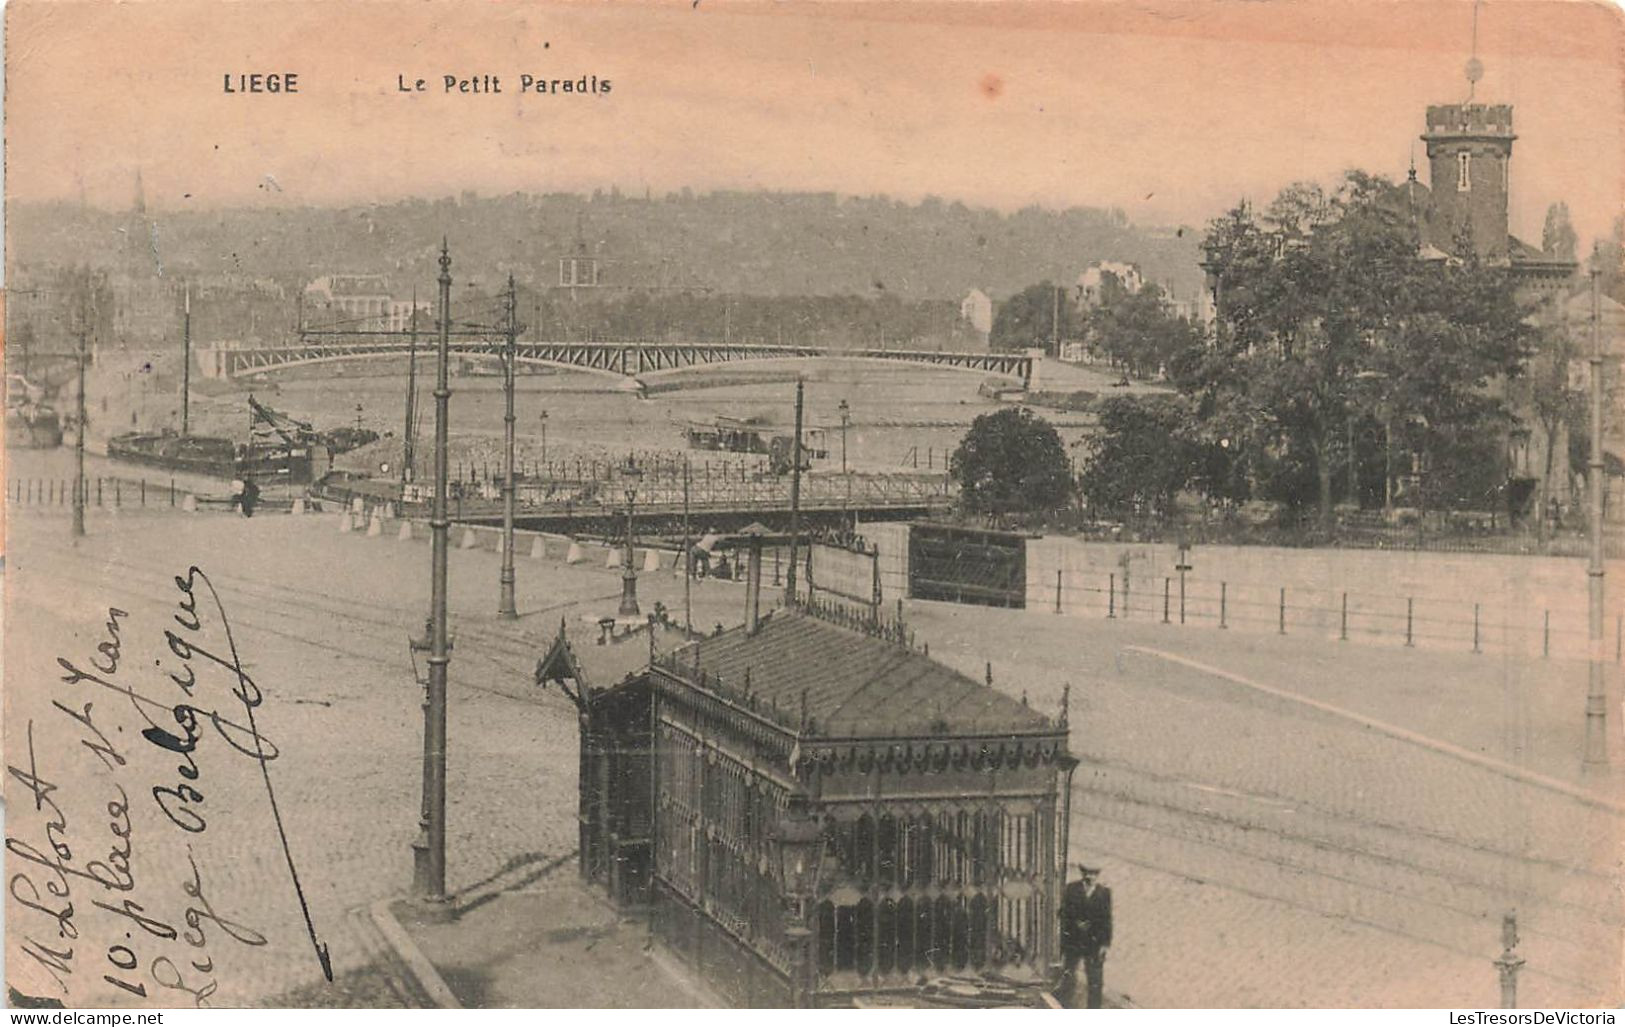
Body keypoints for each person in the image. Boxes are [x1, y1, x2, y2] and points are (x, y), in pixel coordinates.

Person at [1059, 863, 1112, 1008]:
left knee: (1095, 980)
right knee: (1068, 976)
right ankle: (1063, 1007)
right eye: (1087, 873)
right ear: (1082, 873)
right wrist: (1076, 923)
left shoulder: (1104, 892)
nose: (1090, 877)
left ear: (1098, 875)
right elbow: (1063, 913)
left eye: (1094, 873)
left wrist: (1105, 944)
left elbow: (1107, 919)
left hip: (1094, 942)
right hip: (1074, 940)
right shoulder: (1072, 889)